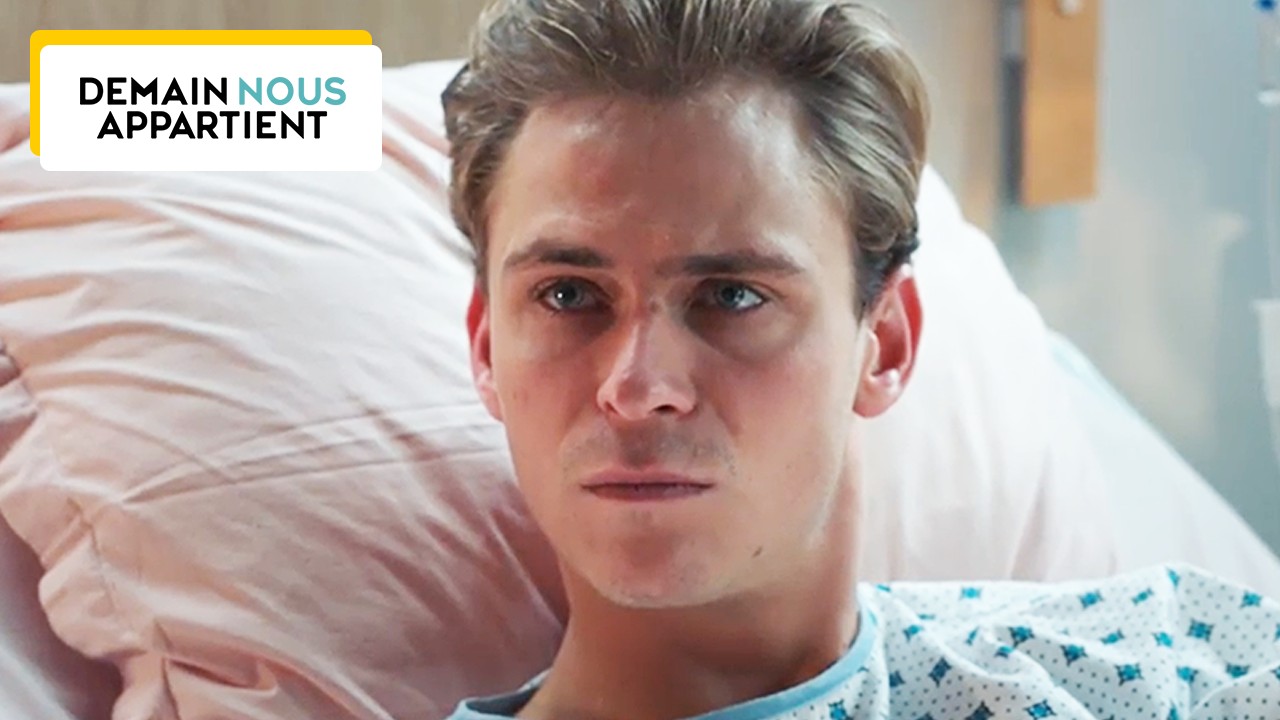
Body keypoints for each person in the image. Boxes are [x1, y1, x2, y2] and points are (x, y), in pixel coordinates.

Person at [440, 1, 1280, 717]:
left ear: (887, 344)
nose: (639, 387)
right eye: (568, 295)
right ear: (486, 348)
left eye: (731, 295)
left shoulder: (1164, 662)